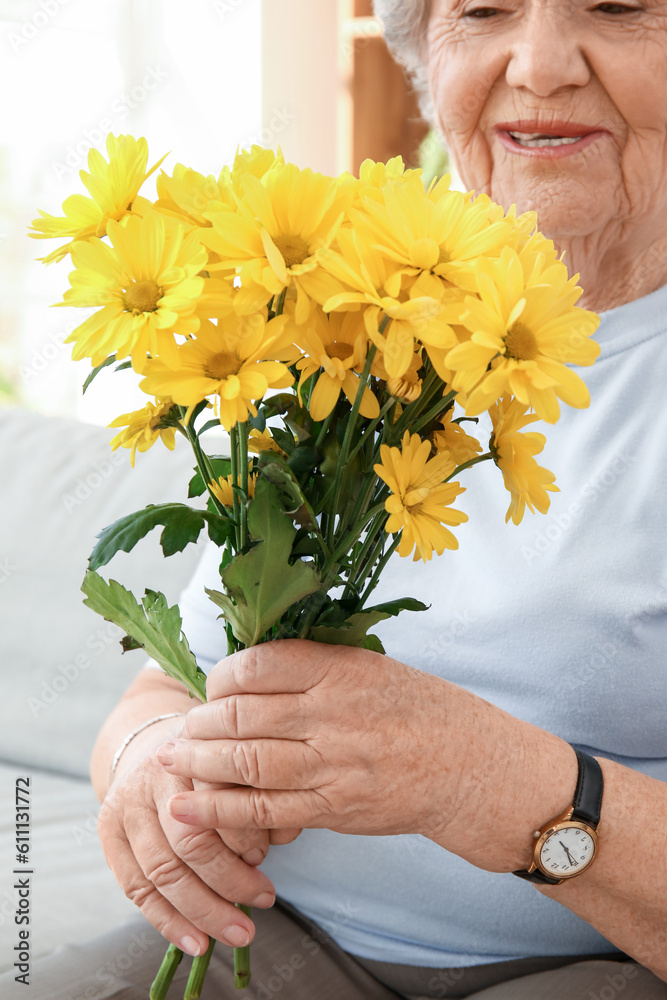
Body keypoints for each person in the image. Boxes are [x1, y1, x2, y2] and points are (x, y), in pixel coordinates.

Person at [7, 1, 667, 997]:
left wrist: (481, 777)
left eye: (616, 7)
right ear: (421, 55)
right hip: (268, 934)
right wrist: (145, 765)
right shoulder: (347, 326)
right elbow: (181, 683)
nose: (535, 64)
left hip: (585, 964)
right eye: (481, 9)